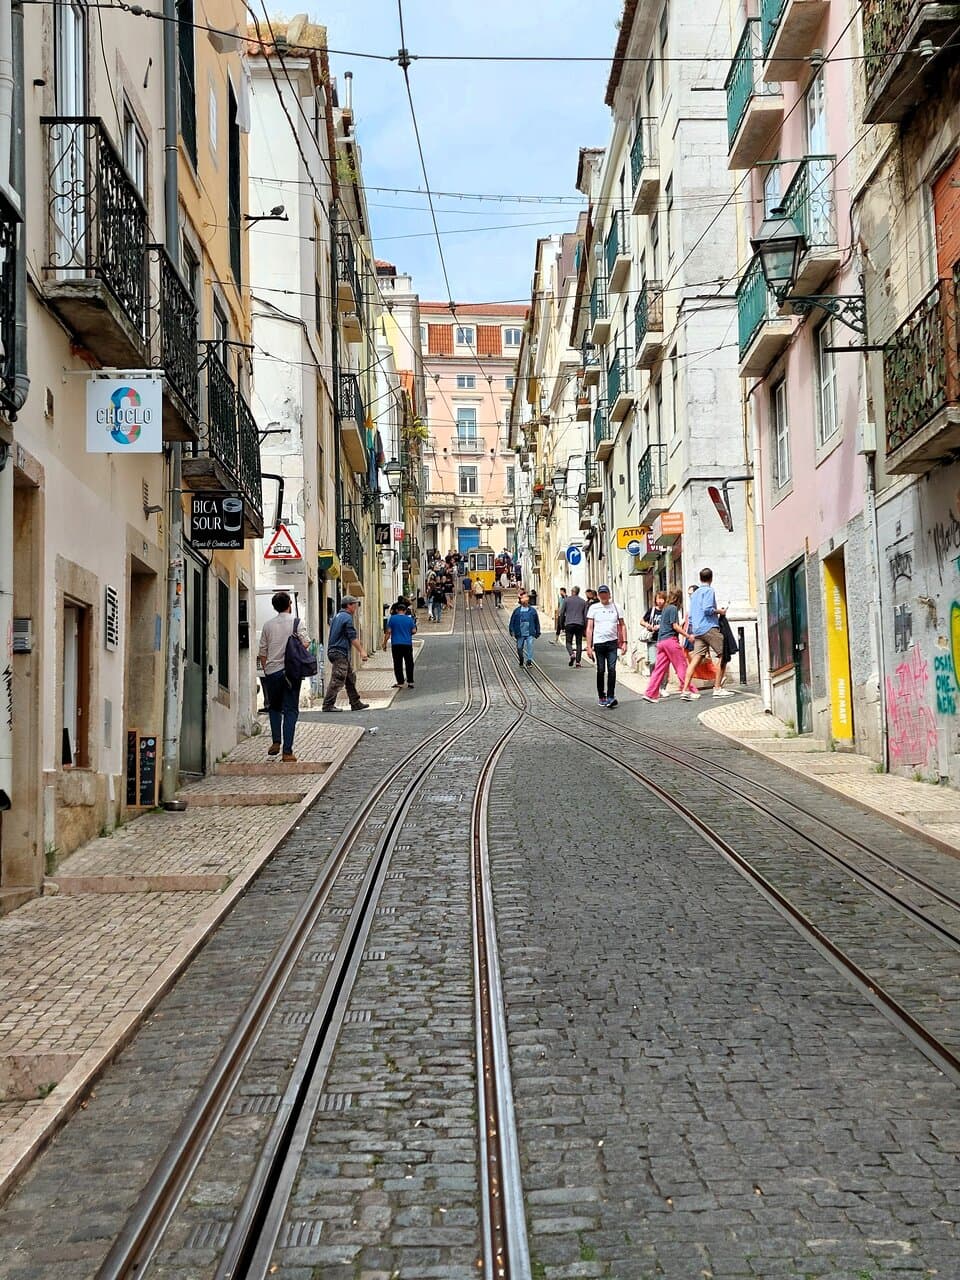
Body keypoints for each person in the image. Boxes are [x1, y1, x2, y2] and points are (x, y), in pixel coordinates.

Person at [257, 591, 310, 762]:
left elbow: (262, 651)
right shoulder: (297, 623)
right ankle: (287, 752)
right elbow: (305, 643)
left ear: (274, 607)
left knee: (274, 708)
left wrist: (267, 669)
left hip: (272, 672)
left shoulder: (267, 625)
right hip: (291, 672)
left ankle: (276, 741)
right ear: (290, 604)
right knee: (291, 710)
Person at [680, 567, 733, 700]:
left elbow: (691, 615)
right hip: (709, 627)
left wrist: (693, 629)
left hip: (697, 630)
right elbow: (708, 609)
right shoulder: (709, 591)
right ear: (711, 578)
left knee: (696, 659)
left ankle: (685, 690)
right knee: (723, 655)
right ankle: (717, 688)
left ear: (700, 578)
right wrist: (720, 611)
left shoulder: (695, 594)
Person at [642, 588, 692, 703]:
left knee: (658, 670)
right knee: (681, 665)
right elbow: (675, 626)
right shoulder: (673, 608)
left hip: (660, 642)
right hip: (670, 641)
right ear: (679, 599)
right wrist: (688, 636)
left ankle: (650, 693)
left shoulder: (665, 609)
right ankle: (688, 690)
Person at [322, 594, 370, 713]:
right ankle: (328, 705)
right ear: (349, 605)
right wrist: (362, 651)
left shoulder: (338, 616)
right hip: (339, 652)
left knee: (350, 678)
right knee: (338, 678)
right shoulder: (347, 617)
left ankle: (355, 703)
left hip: (334, 651)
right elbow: (352, 637)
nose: (356, 607)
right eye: (355, 605)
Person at [585, 584, 627, 708]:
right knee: (601, 670)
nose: (603, 596)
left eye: (605, 593)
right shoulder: (593, 608)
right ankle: (601, 696)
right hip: (599, 643)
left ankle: (610, 696)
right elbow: (590, 628)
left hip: (612, 642)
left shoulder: (616, 607)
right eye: (601, 594)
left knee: (612, 669)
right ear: (598, 595)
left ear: (609, 595)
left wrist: (624, 642)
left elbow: (622, 625)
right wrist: (588, 646)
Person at [384, 603, 417, 689]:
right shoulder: (409, 619)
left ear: (397, 610)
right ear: (405, 611)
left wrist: (384, 643)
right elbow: (414, 630)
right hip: (407, 644)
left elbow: (388, 632)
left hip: (396, 644)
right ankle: (410, 681)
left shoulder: (392, 619)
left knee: (397, 663)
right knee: (409, 663)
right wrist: (407, 633)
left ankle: (400, 682)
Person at [509, 591, 541, 667]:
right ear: (520, 600)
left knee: (530, 645)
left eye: (526, 597)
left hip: (530, 632)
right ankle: (521, 659)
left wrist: (537, 631)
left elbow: (536, 622)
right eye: (523, 598)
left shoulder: (532, 611)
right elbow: (512, 621)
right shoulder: (517, 611)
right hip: (520, 633)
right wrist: (512, 630)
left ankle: (529, 660)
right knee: (519, 647)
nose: (525, 599)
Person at [559, 585, 588, 666]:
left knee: (568, 642)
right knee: (579, 643)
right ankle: (578, 662)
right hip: (580, 624)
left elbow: (562, 613)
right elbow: (585, 615)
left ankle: (572, 654)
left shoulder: (566, 600)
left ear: (572, 592)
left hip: (569, 623)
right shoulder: (583, 601)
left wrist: (561, 625)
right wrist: (585, 626)